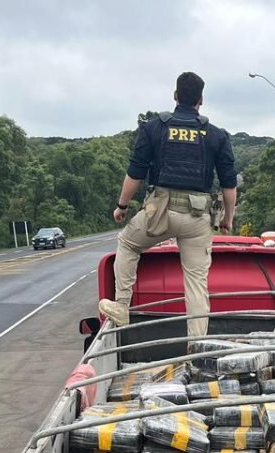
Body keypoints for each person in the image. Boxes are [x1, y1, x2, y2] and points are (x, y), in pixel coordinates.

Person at [99, 72, 237, 332]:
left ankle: (122, 306)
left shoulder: (155, 127)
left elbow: (135, 173)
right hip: (198, 216)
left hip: (158, 211)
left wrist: (122, 206)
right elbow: (229, 186)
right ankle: (197, 349)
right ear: (201, 100)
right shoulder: (216, 135)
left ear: (175, 96)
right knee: (196, 282)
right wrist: (228, 219)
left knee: (127, 243)